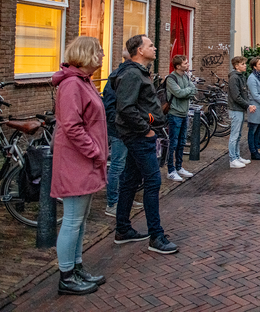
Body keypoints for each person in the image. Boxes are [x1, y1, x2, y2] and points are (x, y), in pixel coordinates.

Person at [51, 36, 109, 295]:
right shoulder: (72, 84)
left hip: (85, 161)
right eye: (98, 52)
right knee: (73, 220)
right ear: (86, 55)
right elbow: (72, 126)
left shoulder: (83, 82)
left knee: (80, 219)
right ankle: (66, 277)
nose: (103, 56)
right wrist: (95, 152)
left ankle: (76, 267)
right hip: (77, 161)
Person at [112, 34, 177, 254]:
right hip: (139, 137)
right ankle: (156, 237)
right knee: (152, 181)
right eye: (150, 45)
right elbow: (126, 108)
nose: (155, 47)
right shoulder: (132, 74)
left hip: (137, 135)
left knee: (130, 180)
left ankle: (123, 229)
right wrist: (146, 129)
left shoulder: (137, 72)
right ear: (139, 50)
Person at [103, 49, 144, 217]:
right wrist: (118, 123)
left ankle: (124, 197)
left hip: (130, 130)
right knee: (117, 165)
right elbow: (110, 103)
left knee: (127, 166)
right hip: (120, 130)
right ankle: (112, 203)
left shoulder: (134, 75)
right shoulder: (118, 76)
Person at [165, 55, 197, 182]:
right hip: (174, 114)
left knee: (182, 142)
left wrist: (186, 91)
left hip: (184, 113)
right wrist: (187, 91)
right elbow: (179, 93)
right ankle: (170, 170)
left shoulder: (185, 76)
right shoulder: (171, 79)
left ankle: (179, 167)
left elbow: (193, 91)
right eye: (185, 63)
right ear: (178, 66)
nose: (187, 64)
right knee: (173, 143)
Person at [228, 56, 254, 168]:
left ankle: (237, 156)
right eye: (243, 64)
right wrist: (247, 105)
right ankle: (232, 159)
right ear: (236, 66)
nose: (245, 66)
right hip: (235, 109)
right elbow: (236, 96)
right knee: (234, 135)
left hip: (239, 109)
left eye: (245, 64)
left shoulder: (240, 76)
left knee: (238, 135)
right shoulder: (234, 78)